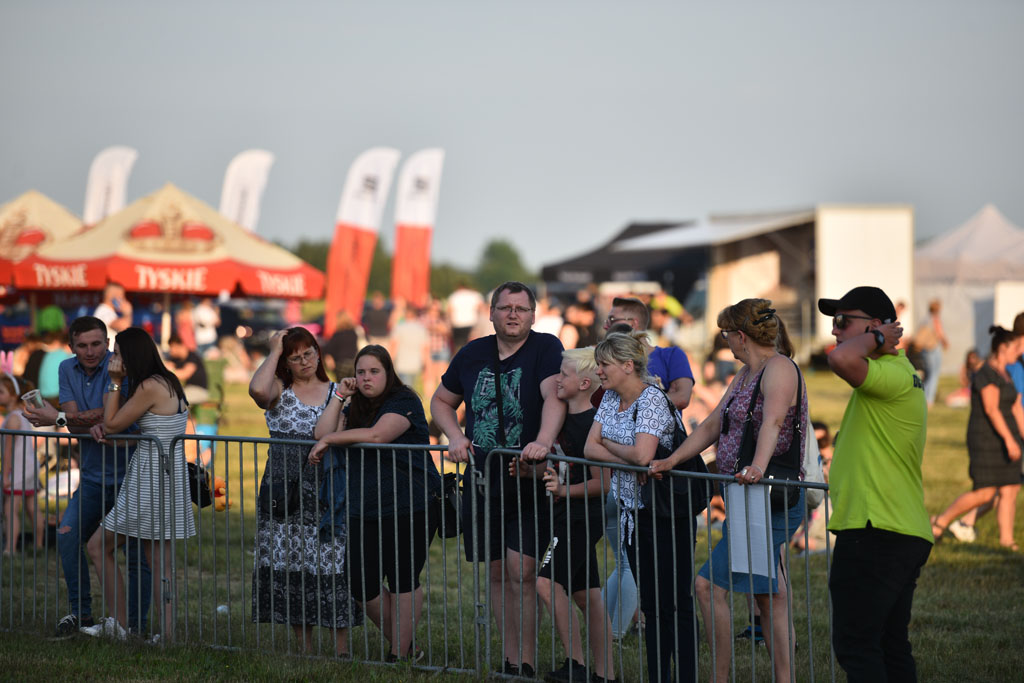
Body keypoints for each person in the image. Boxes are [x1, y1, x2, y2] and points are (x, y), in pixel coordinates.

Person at [650, 299, 806, 683]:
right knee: (771, 597)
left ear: (740, 335)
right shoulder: (744, 376)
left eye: (725, 334)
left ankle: (720, 678)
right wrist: (672, 460)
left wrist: (757, 467)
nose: (725, 343)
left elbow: (773, 421)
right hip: (747, 499)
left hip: (770, 499)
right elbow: (710, 426)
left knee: (707, 586)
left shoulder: (780, 368)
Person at [430, 281, 564, 677]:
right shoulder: (472, 354)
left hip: (528, 478)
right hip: (482, 479)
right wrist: (454, 435)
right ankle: (509, 658)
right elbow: (440, 400)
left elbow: (553, 397)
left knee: (522, 571)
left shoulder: (546, 348)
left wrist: (542, 441)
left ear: (533, 315)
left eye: (521, 309)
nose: (512, 314)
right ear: (490, 313)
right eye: (505, 308)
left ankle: (525, 661)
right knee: (494, 572)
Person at [817, 285, 931, 682]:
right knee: (888, 644)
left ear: (878, 326)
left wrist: (880, 337)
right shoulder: (894, 376)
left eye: (843, 321)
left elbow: (840, 358)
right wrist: (874, 336)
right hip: (895, 529)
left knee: (856, 645)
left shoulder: (892, 375)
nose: (835, 331)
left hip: (876, 530)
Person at [309, 345, 442, 661]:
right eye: (360, 372)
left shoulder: (405, 401)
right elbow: (320, 432)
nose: (366, 378)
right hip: (363, 505)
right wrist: (340, 397)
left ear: (388, 372)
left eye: (374, 371)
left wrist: (329, 441)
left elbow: (379, 435)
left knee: (402, 577)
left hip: (411, 502)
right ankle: (407, 646)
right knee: (360, 583)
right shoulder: (354, 403)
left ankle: (398, 654)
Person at [21, 316, 150, 637]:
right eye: (82, 345)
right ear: (71, 347)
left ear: (107, 343)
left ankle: (133, 625)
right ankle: (81, 613)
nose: (90, 351)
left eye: (96, 344)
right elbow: (84, 422)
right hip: (92, 476)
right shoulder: (67, 369)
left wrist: (65, 417)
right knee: (67, 535)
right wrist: (82, 419)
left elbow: (109, 417)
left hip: (129, 475)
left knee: (134, 552)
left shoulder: (120, 365)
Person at [585, 331, 696, 683]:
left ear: (627, 365)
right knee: (650, 602)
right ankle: (659, 674)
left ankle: (686, 674)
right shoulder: (609, 398)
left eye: (604, 364)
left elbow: (643, 455)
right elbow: (589, 448)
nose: (599, 371)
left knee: (674, 602)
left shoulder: (651, 399)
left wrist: (612, 445)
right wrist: (626, 453)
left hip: (667, 513)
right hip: (633, 512)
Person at [248, 328, 358, 655]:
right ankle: (304, 649)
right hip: (284, 491)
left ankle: (341, 649)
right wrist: (274, 348)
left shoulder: (339, 390)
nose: (303, 361)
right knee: (291, 564)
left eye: (308, 352)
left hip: (327, 487)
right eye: (294, 357)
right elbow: (256, 389)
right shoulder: (279, 389)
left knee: (332, 562)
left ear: (318, 352)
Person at [83, 327, 196, 642]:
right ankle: (166, 636)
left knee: (97, 546)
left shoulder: (148, 386)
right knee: (159, 561)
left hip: (150, 479)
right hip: (164, 476)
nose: (113, 359)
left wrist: (115, 381)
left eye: (117, 353)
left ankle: (120, 626)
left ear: (130, 354)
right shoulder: (167, 380)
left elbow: (112, 424)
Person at [532, 348, 616, 683]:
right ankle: (605, 674)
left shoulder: (592, 425)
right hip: (567, 513)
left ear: (584, 383)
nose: (557, 380)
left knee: (545, 583)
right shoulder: (561, 416)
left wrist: (564, 491)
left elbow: (604, 483)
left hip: (581, 516)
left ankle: (576, 665)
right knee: (586, 595)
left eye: (564, 375)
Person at [931, 326, 1023, 550]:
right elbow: (992, 410)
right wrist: (1009, 440)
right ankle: (940, 522)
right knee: (985, 493)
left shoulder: (1007, 374)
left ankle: (1006, 541)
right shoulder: (985, 373)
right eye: (1016, 347)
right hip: (987, 439)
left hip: (1008, 436)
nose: (1019, 352)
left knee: (1011, 488)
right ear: (1002, 348)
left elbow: (1016, 407)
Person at [1, 374, 44, 555]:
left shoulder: (12, 418)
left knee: (10, 510)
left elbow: (8, 451)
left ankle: (10, 548)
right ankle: (39, 545)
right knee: (32, 507)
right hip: (29, 467)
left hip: (17, 470)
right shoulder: (22, 415)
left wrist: (5, 476)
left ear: (12, 395)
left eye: (1, 391)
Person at [913, 299, 949, 407]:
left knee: (928, 374)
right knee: (933, 374)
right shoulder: (934, 319)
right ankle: (929, 399)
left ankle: (922, 396)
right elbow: (939, 332)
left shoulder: (924, 319)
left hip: (925, 349)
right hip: (933, 349)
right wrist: (945, 342)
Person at [167, 333, 209, 404]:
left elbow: (185, 374)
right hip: (186, 389)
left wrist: (170, 371)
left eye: (171, 347)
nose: (170, 351)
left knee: (176, 399)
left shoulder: (192, 357)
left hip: (199, 391)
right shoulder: (175, 359)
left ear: (177, 346)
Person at [447, 282, 485, 351]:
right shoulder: (474, 295)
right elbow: (481, 307)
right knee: (472, 346)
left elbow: (449, 310)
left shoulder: (454, 295)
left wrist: (450, 324)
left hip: (457, 324)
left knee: (458, 345)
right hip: (471, 323)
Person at [94, 283, 133, 349]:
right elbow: (124, 326)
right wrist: (128, 313)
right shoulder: (104, 310)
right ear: (114, 297)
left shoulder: (107, 310)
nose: (124, 300)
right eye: (122, 296)